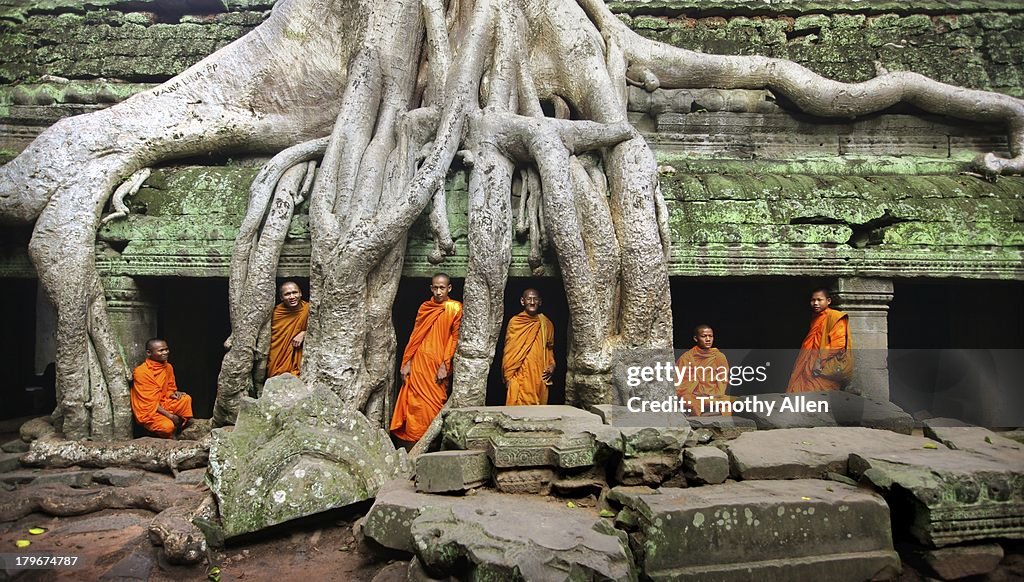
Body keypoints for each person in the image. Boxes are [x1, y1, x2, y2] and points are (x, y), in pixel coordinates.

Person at [390, 273, 462, 447]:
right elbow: (415, 336)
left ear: (449, 288)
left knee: (433, 405)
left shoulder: (455, 308)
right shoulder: (425, 307)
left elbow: (454, 338)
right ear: (431, 288)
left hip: (438, 366)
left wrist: (445, 365)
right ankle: (410, 446)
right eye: (435, 288)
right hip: (419, 363)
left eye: (442, 288)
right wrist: (406, 362)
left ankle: (431, 445)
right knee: (414, 405)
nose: (438, 292)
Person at [787, 288, 852, 393]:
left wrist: (819, 360)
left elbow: (838, 344)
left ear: (828, 301)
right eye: (813, 300)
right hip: (807, 365)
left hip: (822, 367)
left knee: (817, 397)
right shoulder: (816, 318)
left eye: (819, 300)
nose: (815, 303)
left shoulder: (834, 317)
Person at [131, 338, 193, 439]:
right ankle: (169, 433)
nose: (165, 352)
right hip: (150, 410)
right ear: (149, 353)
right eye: (161, 350)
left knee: (186, 399)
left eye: (166, 349)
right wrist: (170, 416)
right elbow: (149, 402)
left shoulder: (168, 367)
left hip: (163, 403)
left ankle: (178, 427)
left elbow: (169, 387)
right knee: (167, 427)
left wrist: (172, 393)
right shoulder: (141, 372)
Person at [503, 288, 556, 406]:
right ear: (522, 301)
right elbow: (509, 352)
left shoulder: (546, 323)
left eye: (535, 299)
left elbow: (549, 349)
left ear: (540, 302)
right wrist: (508, 376)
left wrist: (552, 365)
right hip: (519, 377)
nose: (532, 302)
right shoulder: (515, 322)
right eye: (529, 299)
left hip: (539, 376)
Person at [675, 324, 731, 416]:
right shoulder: (687, 358)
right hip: (693, 396)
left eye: (710, 336)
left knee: (736, 402)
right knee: (691, 403)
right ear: (696, 339)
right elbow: (679, 383)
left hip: (714, 395)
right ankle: (706, 416)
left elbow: (723, 380)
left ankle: (709, 415)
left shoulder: (718, 356)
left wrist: (716, 395)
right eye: (704, 336)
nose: (708, 339)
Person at [267, 280, 309, 378]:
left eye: (295, 292)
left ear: (300, 293)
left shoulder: (309, 309)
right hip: (278, 357)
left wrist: (304, 333)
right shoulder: (275, 313)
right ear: (281, 298)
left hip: (301, 356)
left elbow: (320, 330)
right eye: (287, 294)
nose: (292, 297)